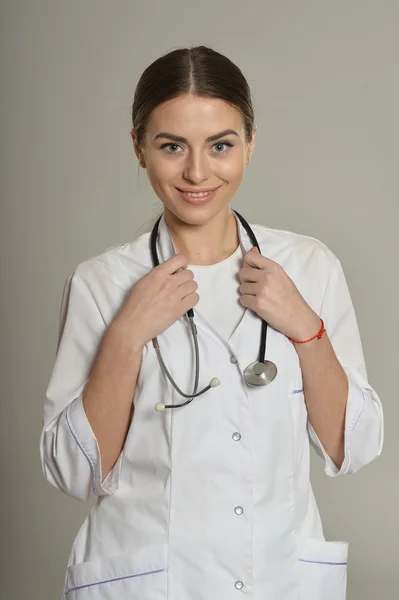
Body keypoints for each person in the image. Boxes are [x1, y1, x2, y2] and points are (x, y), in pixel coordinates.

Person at [40, 45, 384, 600]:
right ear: (139, 148)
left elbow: (357, 445)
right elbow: (72, 474)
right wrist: (127, 336)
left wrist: (306, 327)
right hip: (152, 586)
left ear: (250, 143)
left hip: (280, 579)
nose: (197, 172)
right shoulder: (101, 283)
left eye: (220, 145)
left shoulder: (308, 266)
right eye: (171, 146)